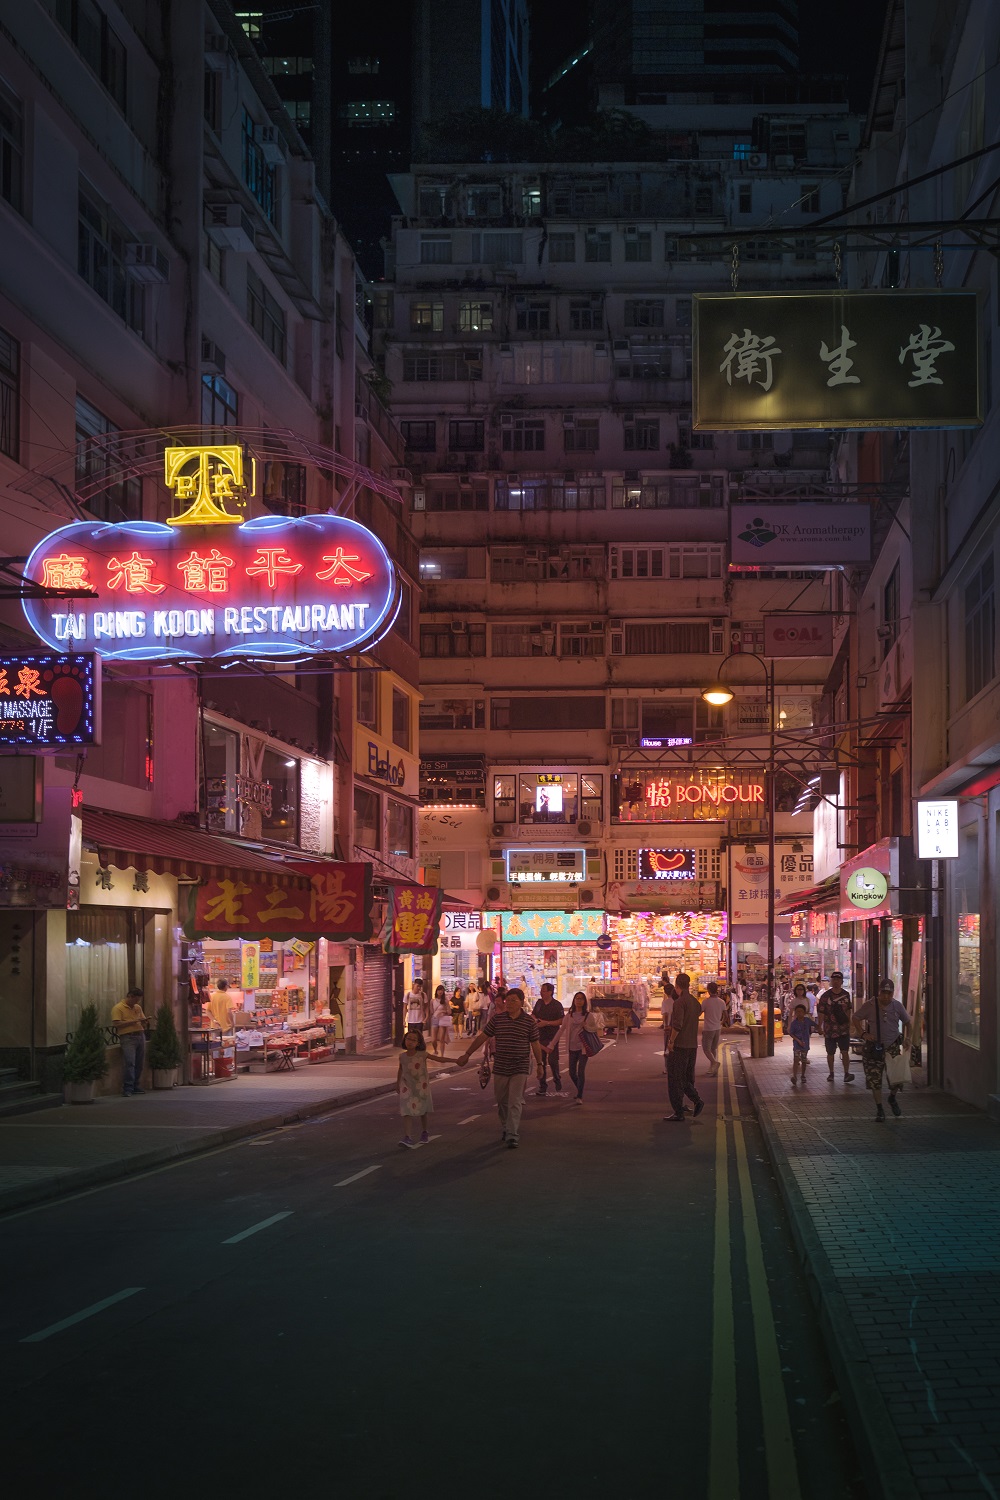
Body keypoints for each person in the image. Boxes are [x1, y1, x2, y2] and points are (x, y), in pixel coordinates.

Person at [457, 988, 544, 1149]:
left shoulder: (528, 1021)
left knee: (515, 1101)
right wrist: (467, 1054)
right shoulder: (498, 1019)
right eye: (508, 1000)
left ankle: (512, 1134)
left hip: (520, 1065)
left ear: (521, 1003)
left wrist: (540, 1064)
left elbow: (535, 1044)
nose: (509, 1003)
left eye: (513, 1000)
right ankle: (506, 1126)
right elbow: (483, 1036)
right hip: (501, 1065)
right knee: (501, 1100)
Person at [853, 979, 913, 1122]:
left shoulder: (897, 1006)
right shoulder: (870, 1005)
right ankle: (880, 1109)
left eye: (889, 993)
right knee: (875, 1080)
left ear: (892, 993)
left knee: (897, 1079)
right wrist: (863, 1034)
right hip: (874, 1048)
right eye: (883, 993)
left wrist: (908, 1038)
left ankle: (892, 1098)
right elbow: (855, 1017)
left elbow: (908, 1023)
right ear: (879, 992)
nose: (886, 996)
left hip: (892, 1047)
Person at [664, 973, 704, 1123]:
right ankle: (687, 1104)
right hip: (692, 1045)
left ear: (677, 986)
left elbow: (678, 1024)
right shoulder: (695, 1002)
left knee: (675, 1078)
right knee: (687, 1077)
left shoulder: (680, 1002)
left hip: (680, 1045)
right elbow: (691, 1019)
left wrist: (671, 1041)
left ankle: (683, 1108)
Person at [547, 991, 600, 1104]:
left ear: (584, 1001)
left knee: (580, 1071)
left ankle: (579, 1096)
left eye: (581, 998)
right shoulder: (569, 1016)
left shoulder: (588, 1015)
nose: (579, 1000)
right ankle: (579, 1088)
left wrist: (587, 1026)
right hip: (572, 1047)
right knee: (572, 1072)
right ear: (574, 1000)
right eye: (577, 998)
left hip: (583, 1048)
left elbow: (594, 1029)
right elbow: (561, 1030)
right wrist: (552, 1045)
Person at [817, 971, 856, 1083]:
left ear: (842, 981)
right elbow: (821, 1012)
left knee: (845, 1051)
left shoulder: (846, 995)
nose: (836, 981)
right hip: (829, 1029)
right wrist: (819, 1026)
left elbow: (849, 1010)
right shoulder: (825, 996)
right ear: (831, 981)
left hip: (843, 1029)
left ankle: (846, 1073)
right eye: (834, 979)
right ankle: (831, 1073)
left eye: (838, 980)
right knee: (830, 1052)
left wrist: (850, 1024)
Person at [397, 1027, 433, 1147]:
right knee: (406, 1111)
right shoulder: (402, 1056)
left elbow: (439, 1059)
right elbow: (400, 1069)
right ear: (404, 1040)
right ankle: (407, 1137)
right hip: (407, 1087)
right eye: (408, 1039)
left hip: (421, 1086)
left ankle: (425, 1132)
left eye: (414, 1040)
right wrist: (397, 1084)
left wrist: (457, 1060)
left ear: (418, 1043)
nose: (410, 1042)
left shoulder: (422, 1055)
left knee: (423, 1110)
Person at [111, 987, 149, 1097]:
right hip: (128, 1037)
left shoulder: (137, 1007)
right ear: (130, 996)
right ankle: (128, 1087)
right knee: (130, 1063)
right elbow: (116, 1024)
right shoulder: (118, 1008)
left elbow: (141, 1020)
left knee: (139, 1063)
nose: (137, 1003)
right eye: (136, 1000)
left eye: (138, 1001)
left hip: (140, 1035)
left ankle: (135, 1085)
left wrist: (144, 1022)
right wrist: (134, 1021)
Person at [532, 982, 565, 1095]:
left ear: (550, 992)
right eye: (541, 990)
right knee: (541, 1061)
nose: (541, 992)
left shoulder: (557, 1005)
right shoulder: (539, 1003)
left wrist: (547, 1023)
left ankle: (556, 1078)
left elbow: (561, 1021)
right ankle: (542, 1086)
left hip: (552, 1036)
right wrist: (536, 1021)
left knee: (552, 1061)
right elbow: (533, 1015)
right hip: (540, 1036)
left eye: (544, 990)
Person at [701, 981, 729, 1075]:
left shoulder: (705, 1002)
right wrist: (721, 1022)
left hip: (708, 1028)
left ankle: (714, 1063)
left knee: (706, 1049)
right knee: (713, 1049)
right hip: (717, 1028)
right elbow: (726, 1016)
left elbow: (698, 1013)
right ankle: (713, 1069)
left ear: (708, 990)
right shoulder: (721, 1002)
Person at [788, 1003, 815, 1087]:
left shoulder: (807, 1020)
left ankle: (803, 1075)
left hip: (805, 1044)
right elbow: (791, 1033)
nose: (799, 1013)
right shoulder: (794, 1023)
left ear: (804, 1012)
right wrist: (798, 1041)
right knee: (796, 1059)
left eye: (801, 1011)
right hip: (797, 1044)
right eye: (797, 1012)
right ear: (795, 1013)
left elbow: (815, 1024)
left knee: (803, 1060)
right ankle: (795, 1076)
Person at [660, 975, 678, 1073]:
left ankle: (667, 1067)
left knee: (667, 1046)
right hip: (676, 1026)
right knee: (676, 1046)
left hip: (669, 1027)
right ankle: (676, 1066)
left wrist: (666, 1025)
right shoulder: (677, 1001)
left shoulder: (666, 1002)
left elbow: (666, 1014)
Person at [430, 985, 454, 1057]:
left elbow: (449, 1011)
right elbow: (431, 1011)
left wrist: (443, 1012)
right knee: (433, 1039)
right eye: (439, 990)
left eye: (441, 990)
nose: (440, 992)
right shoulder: (432, 1001)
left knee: (441, 1039)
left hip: (442, 1019)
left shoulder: (445, 1001)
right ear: (436, 991)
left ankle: (442, 1055)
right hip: (434, 1019)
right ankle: (435, 1050)